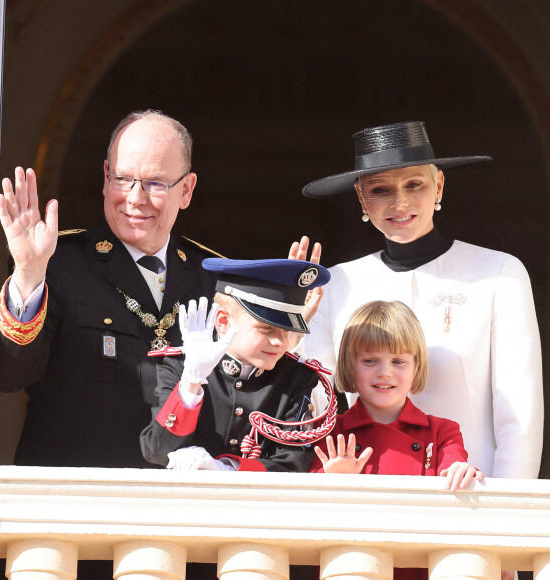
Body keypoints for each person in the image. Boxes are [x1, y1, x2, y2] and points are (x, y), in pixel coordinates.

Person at [0, 110, 219, 579]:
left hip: (183, 538)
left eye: (155, 183)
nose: (135, 198)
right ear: (104, 176)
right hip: (68, 534)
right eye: (123, 178)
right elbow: (6, 375)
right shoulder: (62, 263)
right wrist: (28, 273)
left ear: (186, 190)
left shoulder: (217, 278)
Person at [299, 120, 543, 482]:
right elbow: (313, 410)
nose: (400, 202)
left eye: (415, 184)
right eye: (380, 189)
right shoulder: (335, 284)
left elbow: (519, 415)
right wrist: (288, 329)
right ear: (361, 198)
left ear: (439, 185)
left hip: (470, 498)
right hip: (364, 500)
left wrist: (504, 510)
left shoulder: (498, 273)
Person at [310, 300, 483, 580]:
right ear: (349, 365)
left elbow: (456, 469)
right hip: (353, 569)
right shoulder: (332, 432)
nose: (385, 372)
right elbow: (302, 508)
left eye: (398, 361)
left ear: (416, 366)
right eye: (370, 360)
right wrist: (333, 482)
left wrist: (464, 473)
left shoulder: (441, 432)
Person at [141, 257, 336, 473]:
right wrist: (190, 383)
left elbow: (294, 463)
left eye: (287, 330)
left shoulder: (297, 379)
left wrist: (226, 469)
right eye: (266, 328)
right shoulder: (180, 366)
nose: (279, 341)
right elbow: (157, 451)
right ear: (223, 322)